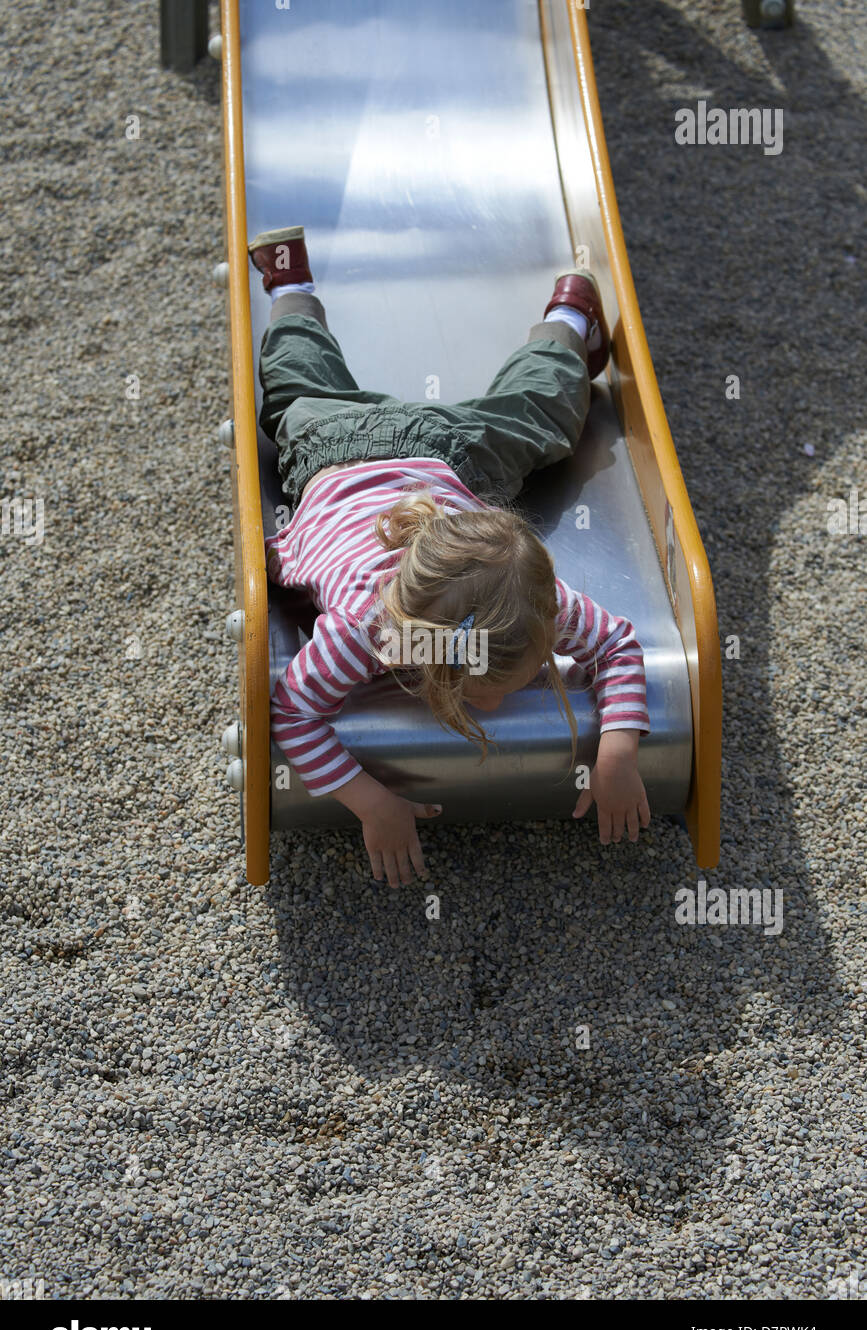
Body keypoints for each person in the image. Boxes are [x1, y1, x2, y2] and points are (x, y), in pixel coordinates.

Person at [249, 226, 651, 887]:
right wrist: (370, 803)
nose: (499, 707)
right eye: (490, 691)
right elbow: (291, 709)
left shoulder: (530, 603)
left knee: (539, 415)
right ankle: (288, 284)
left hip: (434, 454)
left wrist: (616, 754)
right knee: (294, 386)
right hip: (334, 452)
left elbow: (617, 645)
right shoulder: (364, 630)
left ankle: (569, 318)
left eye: (519, 680)